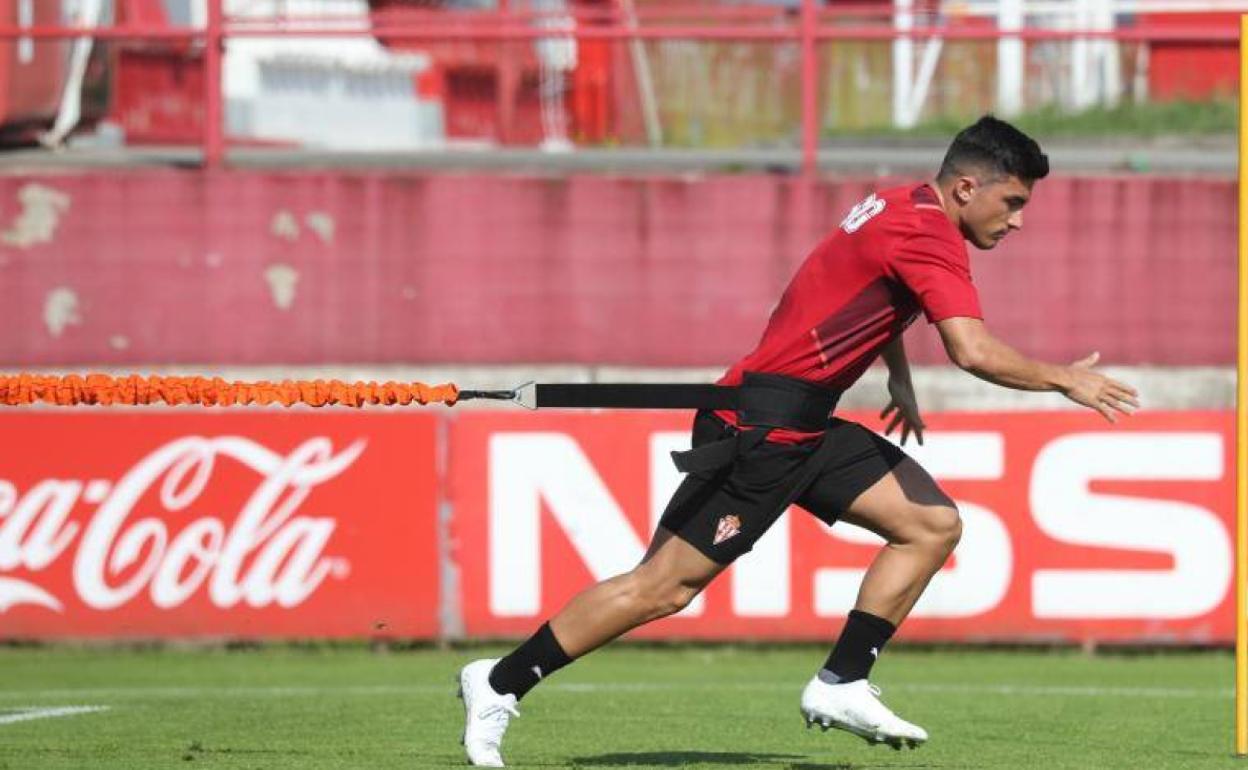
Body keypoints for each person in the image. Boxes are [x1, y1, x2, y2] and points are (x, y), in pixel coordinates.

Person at [456, 115, 1139, 767]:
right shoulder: (931, 237)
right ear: (967, 187)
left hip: (804, 422)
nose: (1016, 220)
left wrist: (897, 379)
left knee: (930, 524)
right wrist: (1063, 381)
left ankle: (841, 682)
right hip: (760, 430)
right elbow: (972, 349)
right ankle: (501, 682)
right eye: (1013, 201)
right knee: (660, 589)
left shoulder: (900, 204)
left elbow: (877, 293)